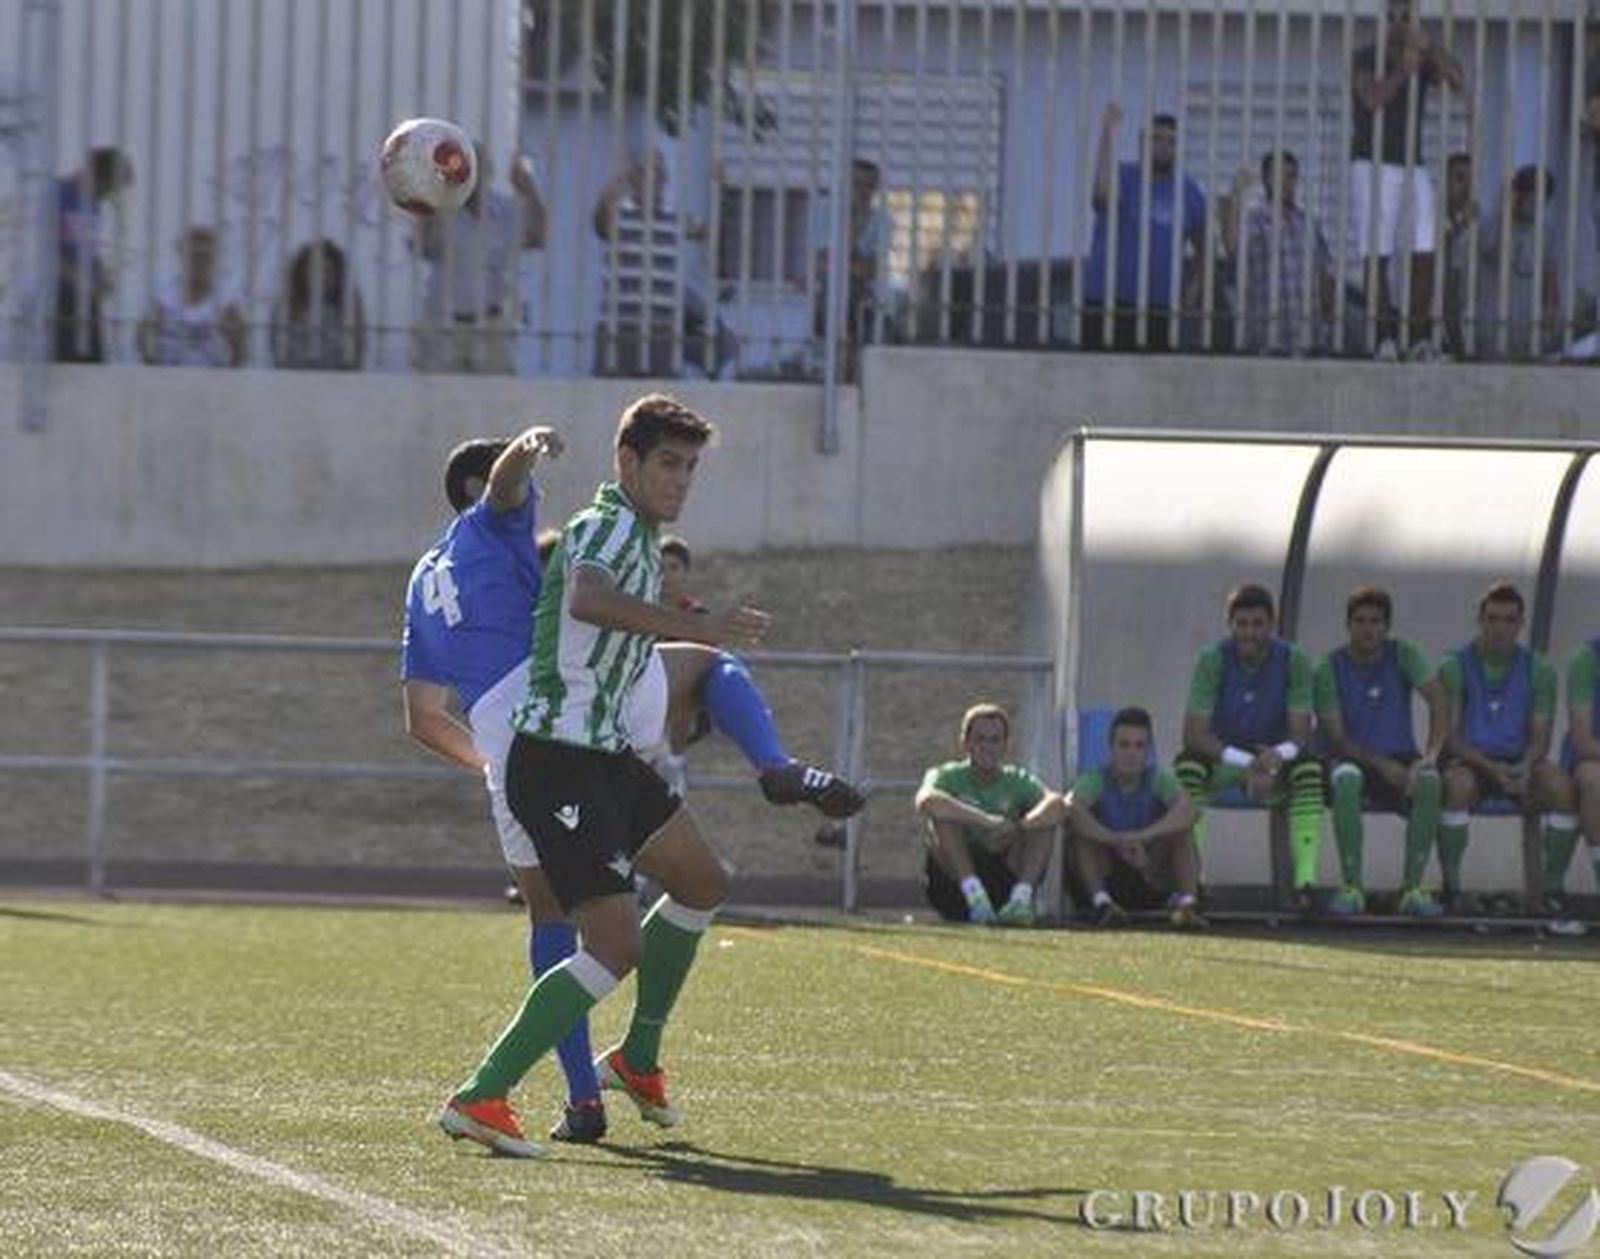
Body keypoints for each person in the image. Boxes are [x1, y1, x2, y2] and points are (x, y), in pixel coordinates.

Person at [437, 394, 777, 1158]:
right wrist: (701, 627)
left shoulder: (640, 533)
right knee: (614, 945)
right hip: (554, 762)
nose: (681, 479)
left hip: (602, 757)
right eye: (667, 462)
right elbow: (587, 598)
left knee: (702, 881)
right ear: (627, 461)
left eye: (690, 466)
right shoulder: (604, 526)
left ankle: (636, 1058)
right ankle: (482, 1093)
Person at [401, 425, 614, 1144]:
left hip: (495, 728)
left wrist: (493, 765)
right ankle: (636, 1055)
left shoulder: (423, 575)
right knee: (626, 898)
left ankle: (583, 1100)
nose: (530, 501)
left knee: (550, 915)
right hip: (544, 705)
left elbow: (425, 718)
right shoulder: (492, 518)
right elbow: (501, 485)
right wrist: (527, 446)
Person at [1173, 583, 1324, 913]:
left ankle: (1306, 886)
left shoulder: (1293, 659)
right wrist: (1249, 763)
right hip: (1227, 763)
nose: (1249, 632)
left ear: (1270, 625)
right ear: (1230, 625)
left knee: (1311, 769)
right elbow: (1193, 734)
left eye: (1257, 624)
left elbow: (1301, 735)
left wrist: (1274, 758)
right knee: (1188, 767)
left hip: (1275, 764)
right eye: (1242, 624)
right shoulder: (1213, 659)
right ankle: (1191, 883)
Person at [1436, 582, 1576, 914]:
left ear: (1520, 625)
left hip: (1517, 763)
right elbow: (1450, 737)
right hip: (1470, 761)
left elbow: (1540, 736)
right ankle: (1452, 888)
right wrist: (1491, 768)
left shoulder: (1539, 669)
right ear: (1480, 620)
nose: (1500, 628)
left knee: (1563, 789)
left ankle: (1552, 891)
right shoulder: (1454, 665)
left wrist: (1525, 765)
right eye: (1493, 618)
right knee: (1456, 786)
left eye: (1509, 620)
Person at [1313, 585, 1447, 918]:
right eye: (1360, 620)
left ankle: (1411, 890)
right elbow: (1337, 738)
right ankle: (1352, 888)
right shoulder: (1329, 667)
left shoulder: (1404, 654)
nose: (1368, 628)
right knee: (1346, 778)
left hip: (1398, 755)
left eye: (1376, 621)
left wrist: (1428, 757)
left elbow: (1439, 703)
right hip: (1347, 757)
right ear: (1348, 625)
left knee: (1431, 781)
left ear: (1387, 626)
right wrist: (1382, 764)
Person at [1347, 0, 1465, 361]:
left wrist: (1428, 48)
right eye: (1393, 16)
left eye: (1406, 16)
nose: (1399, 23)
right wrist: (1402, 70)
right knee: (1376, 252)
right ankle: (1384, 337)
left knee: (1425, 249)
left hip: (1413, 164)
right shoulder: (1366, 56)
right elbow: (1372, 99)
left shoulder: (1423, 58)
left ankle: (1417, 338)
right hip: (1372, 162)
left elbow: (1458, 80)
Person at [593, 146, 735, 379]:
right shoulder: (619, 214)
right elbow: (599, 220)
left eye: (658, 171)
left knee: (659, 408)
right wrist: (619, 178)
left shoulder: (675, 217)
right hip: (618, 332)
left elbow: (708, 230)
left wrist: (719, 190)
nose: (653, 177)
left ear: (665, 178)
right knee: (611, 405)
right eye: (645, 171)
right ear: (633, 177)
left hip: (662, 334)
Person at [913, 702, 1057, 926]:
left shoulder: (1017, 779)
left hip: (1002, 882)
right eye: (980, 739)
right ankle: (976, 897)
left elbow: (1057, 804)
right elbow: (926, 801)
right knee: (942, 816)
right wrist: (988, 822)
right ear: (965, 743)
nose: (987, 747)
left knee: (1045, 820)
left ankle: (1020, 900)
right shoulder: (946, 775)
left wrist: (1018, 826)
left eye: (995, 740)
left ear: (1005, 746)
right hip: (954, 887)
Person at [1081, 104, 1207, 353]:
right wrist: (1107, 132)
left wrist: (1193, 288)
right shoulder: (1124, 177)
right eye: (1156, 138)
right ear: (1142, 143)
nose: (1164, 146)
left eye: (1171, 141)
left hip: (1159, 308)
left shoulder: (1189, 192)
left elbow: (1205, 247)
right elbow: (1101, 197)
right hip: (1108, 303)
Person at [410, 143, 545, 374]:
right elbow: (424, 248)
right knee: (436, 398)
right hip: (443, 324)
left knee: (497, 394)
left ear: (489, 172)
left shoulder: (505, 209)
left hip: (491, 324)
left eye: (478, 168)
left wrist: (529, 191)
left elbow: (536, 238)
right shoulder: (440, 208)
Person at [1066, 706, 1202, 929]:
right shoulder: (1096, 778)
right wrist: (1115, 840)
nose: (1131, 753)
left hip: (1149, 869)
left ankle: (1188, 905)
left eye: (1139, 746)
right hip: (1110, 871)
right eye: (1124, 745)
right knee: (1079, 833)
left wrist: (1144, 837)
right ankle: (1103, 906)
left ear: (1148, 751)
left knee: (1182, 828)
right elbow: (1072, 808)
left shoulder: (1157, 778)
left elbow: (1188, 809)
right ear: (1111, 747)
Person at [1241, 149, 1336, 356]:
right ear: (1266, 179)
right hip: (1267, 340)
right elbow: (1234, 252)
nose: (1285, 183)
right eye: (1279, 176)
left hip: (1309, 341)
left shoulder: (1308, 224)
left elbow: (1326, 274)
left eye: (1291, 176)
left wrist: (1328, 322)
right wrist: (1235, 196)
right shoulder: (1255, 221)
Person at [810, 158, 893, 379]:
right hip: (830, 299)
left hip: (867, 301)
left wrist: (841, 263)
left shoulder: (881, 220)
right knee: (834, 286)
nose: (862, 191)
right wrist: (852, 224)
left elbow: (873, 269)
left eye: (868, 185)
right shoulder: (826, 213)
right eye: (857, 184)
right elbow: (820, 265)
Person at [52, 145, 134, 362]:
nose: (108, 197)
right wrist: (81, 281)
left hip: (84, 297)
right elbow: (48, 253)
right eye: (109, 189)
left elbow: (88, 250)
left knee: (93, 361)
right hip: (58, 295)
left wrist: (100, 274)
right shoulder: (59, 195)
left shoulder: (93, 206)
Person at [1475, 165, 1561, 361]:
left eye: (1541, 199)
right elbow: (1493, 254)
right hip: (1492, 331)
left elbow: (1550, 276)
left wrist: (1551, 310)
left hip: (1529, 332)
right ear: (1517, 194)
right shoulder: (1490, 226)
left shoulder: (1546, 233)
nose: (1535, 204)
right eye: (1530, 196)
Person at [135, 226, 246, 367]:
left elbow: (240, 342)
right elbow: (144, 333)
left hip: (214, 377)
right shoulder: (164, 288)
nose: (199, 262)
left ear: (214, 258)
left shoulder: (226, 293)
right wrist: (152, 367)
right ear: (182, 255)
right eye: (194, 256)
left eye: (205, 256)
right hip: (167, 375)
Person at [1551, 636, 1600, 933]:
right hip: (1589, 759)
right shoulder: (1585, 658)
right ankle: (1550, 891)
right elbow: (1583, 741)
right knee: (1595, 783)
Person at [270, 239, 365, 370]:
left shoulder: (349, 308)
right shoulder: (287, 306)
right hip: (293, 382)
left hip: (339, 384)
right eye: (314, 270)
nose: (322, 277)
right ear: (302, 272)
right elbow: (278, 352)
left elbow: (355, 356)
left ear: (338, 274)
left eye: (328, 270)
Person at [1441, 152, 1477, 359]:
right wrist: (1461, 226)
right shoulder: (1433, 215)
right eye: (1459, 178)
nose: (1466, 187)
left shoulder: (1475, 220)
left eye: (1471, 180)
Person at [659, 534, 707, 614]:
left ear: (685, 572)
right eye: (661, 568)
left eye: (674, 568)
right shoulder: (642, 608)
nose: (667, 574)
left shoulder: (697, 613)